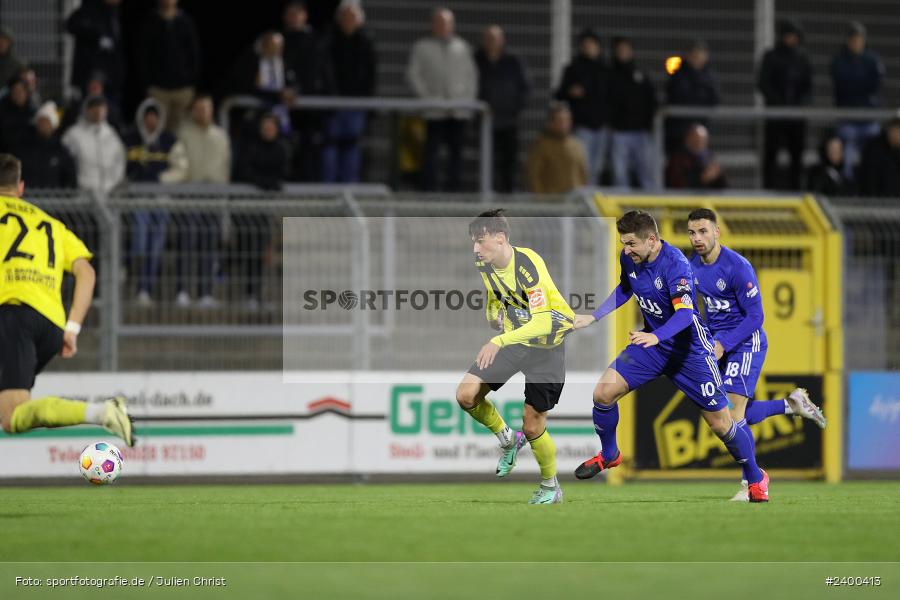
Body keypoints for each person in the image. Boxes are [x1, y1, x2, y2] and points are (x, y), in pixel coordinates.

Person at [572, 211, 769, 502]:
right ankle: (610, 454)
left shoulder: (677, 265)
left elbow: (686, 315)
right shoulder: (630, 258)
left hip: (690, 351)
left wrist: (655, 335)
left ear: (651, 240)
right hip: (653, 348)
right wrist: (594, 317)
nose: (626, 250)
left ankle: (756, 477)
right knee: (603, 393)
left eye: (631, 244)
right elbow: (626, 288)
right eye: (624, 244)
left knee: (721, 424)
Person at [686, 208, 826, 501]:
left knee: (733, 416)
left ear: (716, 232)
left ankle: (751, 482)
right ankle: (791, 405)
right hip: (718, 345)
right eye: (692, 233)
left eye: (703, 231)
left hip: (745, 343)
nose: (697, 238)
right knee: (722, 415)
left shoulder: (737, 267)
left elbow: (756, 316)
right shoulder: (692, 267)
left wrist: (725, 343)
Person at [0, 153, 133, 446]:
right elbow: (86, 272)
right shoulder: (51, 224)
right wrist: (71, 329)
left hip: (13, 316)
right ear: (20, 188)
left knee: (12, 414)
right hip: (50, 325)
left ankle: (102, 412)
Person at [456, 209, 574, 504]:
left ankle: (550, 486)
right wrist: (492, 314)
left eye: (480, 241)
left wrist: (498, 339)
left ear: (501, 238)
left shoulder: (528, 265)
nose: (475, 248)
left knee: (533, 424)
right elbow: (494, 294)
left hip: (546, 347)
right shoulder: (484, 263)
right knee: (466, 395)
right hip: (516, 343)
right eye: (474, 242)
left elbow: (543, 321)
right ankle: (508, 438)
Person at [123, 98, 188, 306]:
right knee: (139, 242)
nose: (151, 120)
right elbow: (119, 166)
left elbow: (181, 169)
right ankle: (135, 283)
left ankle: (146, 289)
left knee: (156, 246)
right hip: (138, 200)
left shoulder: (169, 140)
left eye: (154, 117)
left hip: (160, 200)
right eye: (147, 116)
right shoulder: (130, 139)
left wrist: (160, 180)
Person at [406, 8, 477, 191]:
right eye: (439, 22)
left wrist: (466, 101)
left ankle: (454, 192)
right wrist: (427, 98)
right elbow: (413, 75)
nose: (443, 26)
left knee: (457, 154)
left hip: (458, 111)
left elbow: (472, 77)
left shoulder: (462, 46)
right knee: (431, 152)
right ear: (433, 25)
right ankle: (429, 191)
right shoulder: (422, 46)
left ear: (452, 25)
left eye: (446, 23)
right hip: (433, 110)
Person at [173, 95, 230, 309]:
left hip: (213, 194)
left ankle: (206, 292)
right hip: (189, 192)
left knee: (209, 244)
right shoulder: (184, 134)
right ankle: (182, 290)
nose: (203, 113)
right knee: (186, 242)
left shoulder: (221, 136)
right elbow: (178, 163)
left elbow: (225, 167)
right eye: (199, 109)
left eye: (207, 109)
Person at [322, 0, 377, 183]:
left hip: (356, 105)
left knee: (352, 146)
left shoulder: (366, 42)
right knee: (330, 145)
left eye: (352, 17)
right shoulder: (329, 41)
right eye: (345, 16)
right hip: (333, 104)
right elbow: (325, 73)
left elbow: (370, 76)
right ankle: (328, 192)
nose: (348, 20)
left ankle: (349, 189)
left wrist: (368, 103)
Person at [757, 19, 813, 191]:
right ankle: (768, 189)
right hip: (775, 115)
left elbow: (808, 87)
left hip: (797, 117)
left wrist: (799, 105)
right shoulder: (771, 57)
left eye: (794, 36)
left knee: (797, 155)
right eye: (788, 36)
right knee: (771, 154)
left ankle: (796, 189)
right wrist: (778, 103)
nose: (791, 40)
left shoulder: (803, 59)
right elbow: (763, 83)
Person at [476, 25, 530, 192]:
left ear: (502, 40)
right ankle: (486, 195)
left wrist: (514, 108)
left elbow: (525, 87)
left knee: (509, 161)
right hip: (485, 121)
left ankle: (508, 195)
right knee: (486, 161)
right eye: (489, 38)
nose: (492, 42)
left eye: (495, 38)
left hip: (509, 120)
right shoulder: (477, 60)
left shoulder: (513, 60)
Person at [554, 28, 608, 186]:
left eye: (591, 44)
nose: (588, 47)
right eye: (586, 44)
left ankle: (591, 203)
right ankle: (581, 201)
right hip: (582, 126)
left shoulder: (605, 69)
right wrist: (571, 92)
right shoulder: (573, 68)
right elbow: (559, 93)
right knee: (582, 166)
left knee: (597, 168)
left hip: (601, 126)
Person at [831, 21, 884, 179]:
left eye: (859, 39)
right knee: (847, 153)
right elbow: (842, 85)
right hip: (848, 117)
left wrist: (856, 84)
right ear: (848, 41)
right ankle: (848, 186)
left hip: (868, 117)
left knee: (876, 150)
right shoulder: (840, 60)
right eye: (853, 39)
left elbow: (875, 85)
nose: (856, 43)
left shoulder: (871, 59)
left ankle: (872, 186)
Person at [138, 0, 201, 134]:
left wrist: (190, 81)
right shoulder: (151, 22)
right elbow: (143, 55)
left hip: (183, 90)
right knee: (156, 132)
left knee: (180, 132)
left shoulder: (186, 22)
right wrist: (149, 83)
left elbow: (194, 54)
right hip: (158, 89)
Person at [608, 37, 656, 189]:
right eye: (620, 50)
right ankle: (623, 209)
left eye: (626, 49)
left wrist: (648, 123)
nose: (623, 53)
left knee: (646, 172)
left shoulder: (641, 74)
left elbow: (651, 99)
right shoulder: (610, 74)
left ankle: (650, 208)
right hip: (619, 131)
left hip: (640, 131)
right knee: (619, 173)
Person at [61, 95, 125, 196]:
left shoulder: (112, 135)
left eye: (100, 106)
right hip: (82, 196)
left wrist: (112, 185)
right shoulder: (73, 135)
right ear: (86, 109)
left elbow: (120, 162)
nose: (97, 110)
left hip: (108, 196)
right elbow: (66, 164)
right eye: (93, 107)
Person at [65, 0, 126, 107]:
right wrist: (97, 36)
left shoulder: (116, 12)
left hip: (112, 79)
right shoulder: (90, 7)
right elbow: (71, 25)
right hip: (91, 76)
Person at [665, 39, 720, 155]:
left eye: (700, 55)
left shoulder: (710, 76)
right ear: (688, 56)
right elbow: (679, 97)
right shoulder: (679, 75)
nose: (697, 58)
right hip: (680, 132)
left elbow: (714, 99)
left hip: (703, 127)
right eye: (694, 55)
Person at [525, 102, 587, 194]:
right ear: (551, 123)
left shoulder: (577, 145)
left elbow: (582, 174)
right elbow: (533, 175)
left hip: (573, 200)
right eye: (560, 120)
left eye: (567, 120)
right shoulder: (541, 146)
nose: (564, 124)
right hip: (551, 201)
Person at [16, 101, 77, 189]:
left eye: (47, 121)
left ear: (53, 125)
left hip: (55, 200)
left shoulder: (61, 151)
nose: (43, 125)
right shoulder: (24, 147)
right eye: (41, 121)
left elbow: (70, 179)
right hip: (28, 198)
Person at [665, 124, 726, 190]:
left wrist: (716, 176)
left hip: (707, 197)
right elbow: (676, 183)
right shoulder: (679, 157)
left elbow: (723, 186)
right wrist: (701, 178)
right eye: (696, 138)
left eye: (703, 139)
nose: (699, 142)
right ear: (688, 138)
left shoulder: (710, 156)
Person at [858, 117, 900, 197]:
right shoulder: (874, 148)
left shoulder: (897, 151)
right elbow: (869, 180)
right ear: (891, 131)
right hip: (875, 201)